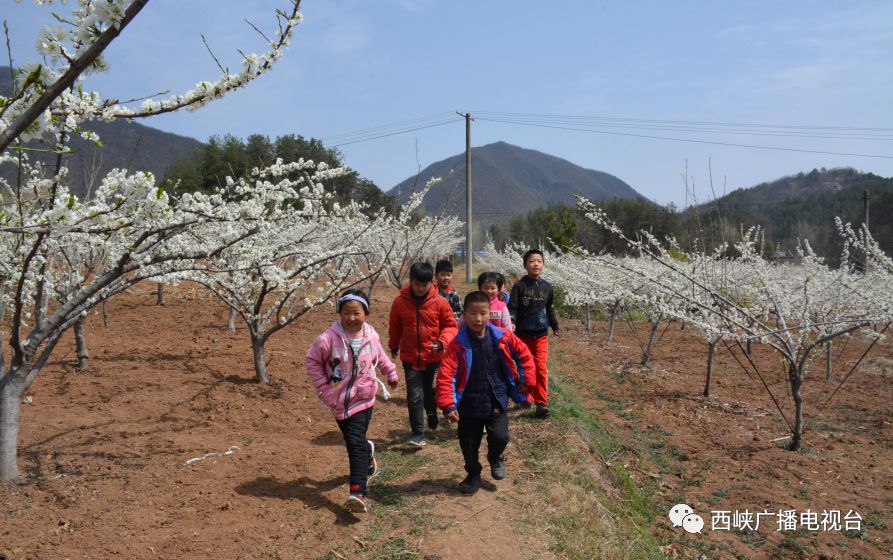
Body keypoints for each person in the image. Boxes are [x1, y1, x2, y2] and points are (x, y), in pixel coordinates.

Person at [306, 289, 399, 513]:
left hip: (365, 398)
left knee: (354, 442)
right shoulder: (328, 339)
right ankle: (368, 457)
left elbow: (381, 357)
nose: (351, 318)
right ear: (340, 314)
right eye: (346, 313)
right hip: (338, 400)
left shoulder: (370, 335)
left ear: (365, 313)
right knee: (354, 440)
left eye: (356, 312)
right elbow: (312, 361)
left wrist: (391, 373)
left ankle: (357, 492)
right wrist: (325, 391)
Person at [436, 291, 535, 494]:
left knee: (500, 437)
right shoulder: (457, 345)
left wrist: (526, 379)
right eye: (472, 313)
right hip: (469, 404)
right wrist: (448, 404)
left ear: (490, 314)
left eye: (482, 313)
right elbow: (446, 375)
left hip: (496, 399)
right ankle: (473, 474)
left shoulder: (503, 337)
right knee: (468, 443)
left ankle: (495, 456)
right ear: (464, 314)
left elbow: (524, 354)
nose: (477, 318)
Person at [389, 262, 458, 446]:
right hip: (410, 357)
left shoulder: (440, 302)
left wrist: (441, 342)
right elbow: (395, 326)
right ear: (410, 281)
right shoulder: (400, 302)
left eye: (424, 285)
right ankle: (418, 432)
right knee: (414, 395)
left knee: (431, 392)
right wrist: (394, 345)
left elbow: (451, 326)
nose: (420, 288)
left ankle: (432, 412)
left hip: (434, 358)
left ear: (431, 283)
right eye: (417, 284)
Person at [508, 249, 560, 419]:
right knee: (526, 367)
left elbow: (549, 308)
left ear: (543, 265)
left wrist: (555, 325)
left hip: (541, 335)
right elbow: (513, 307)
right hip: (523, 335)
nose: (535, 264)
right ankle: (526, 397)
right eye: (531, 261)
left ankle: (541, 402)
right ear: (525, 265)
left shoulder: (547, 287)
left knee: (541, 368)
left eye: (539, 261)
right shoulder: (520, 286)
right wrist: (512, 322)